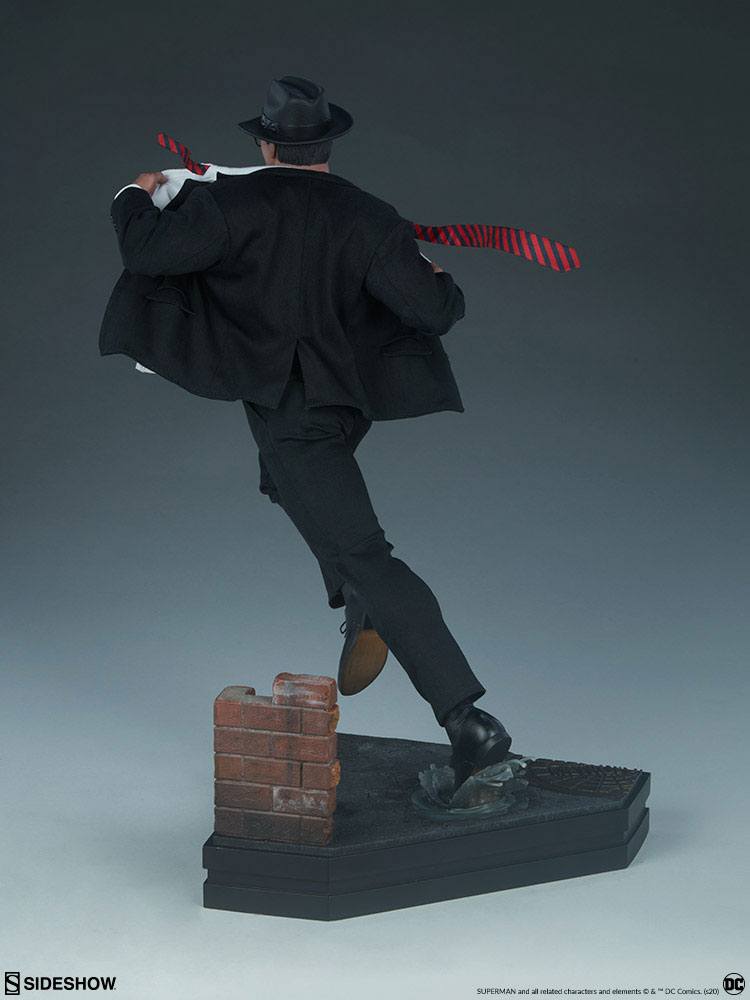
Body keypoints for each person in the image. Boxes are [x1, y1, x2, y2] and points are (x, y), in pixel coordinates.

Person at [100, 75, 513, 788]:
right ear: (328, 144)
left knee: (364, 552)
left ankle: (466, 719)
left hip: (291, 407)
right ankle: (361, 597)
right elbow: (434, 309)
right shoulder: (370, 216)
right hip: (342, 402)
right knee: (285, 485)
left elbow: (148, 251)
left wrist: (131, 194)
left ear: (265, 145)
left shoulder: (229, 204)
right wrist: (441, 278)